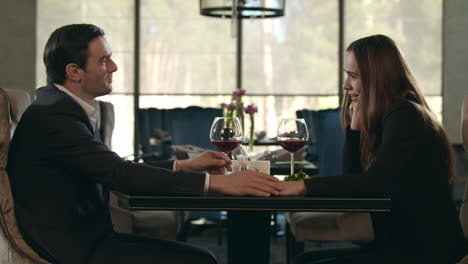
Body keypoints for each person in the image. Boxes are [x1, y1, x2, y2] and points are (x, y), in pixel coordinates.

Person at [6, 24, 282, 264]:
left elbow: (110, 167)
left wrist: (183, 164)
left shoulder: (59, 106)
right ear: (74, 72)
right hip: (73, 249)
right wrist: (217, 183)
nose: (114, 66)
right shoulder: (57, 117)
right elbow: (120, 175)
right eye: (104, 60)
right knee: (200, 260)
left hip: (83, 237)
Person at [279, 34, 468, 264]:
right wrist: (354, 130)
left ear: (377, 78)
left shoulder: (406, 115)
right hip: (399, 249)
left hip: (425, 254)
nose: (345, 85)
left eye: (353, 76)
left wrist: (303, 186)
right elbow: (353, 180)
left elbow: (377, 183)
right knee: (303, 260)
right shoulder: (393, 115)